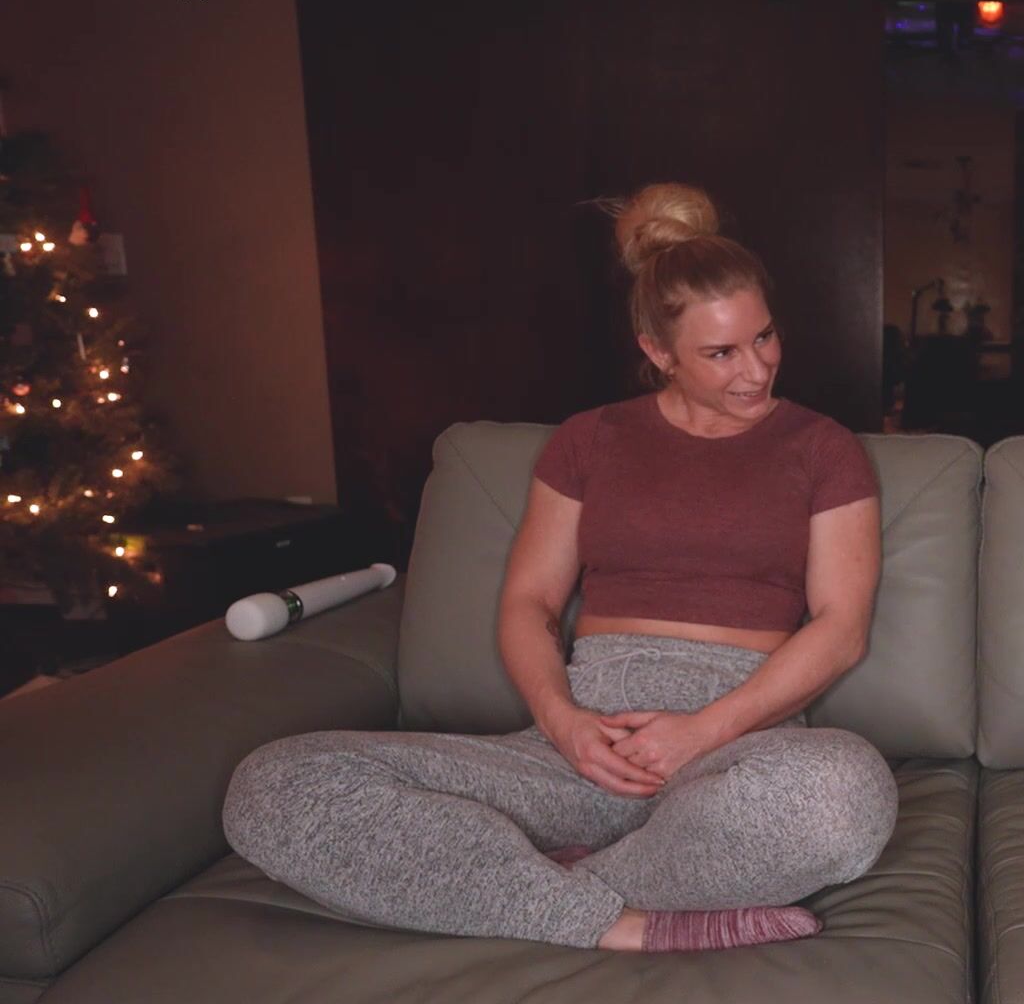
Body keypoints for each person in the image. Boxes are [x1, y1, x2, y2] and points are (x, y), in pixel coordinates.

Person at [224, 183, 896, 953]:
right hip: (578, 752)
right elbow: (529, 604)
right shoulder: (590, 439)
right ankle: (617, 923)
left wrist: (698, 734)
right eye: (721, 353)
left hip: (737, 753)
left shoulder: (823, 448)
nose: (758, 369)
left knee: (843, 792)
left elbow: (840, 628)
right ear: (658, 353)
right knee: (274, 783)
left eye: (765, 337)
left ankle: (525, 886)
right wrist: (564, 725)